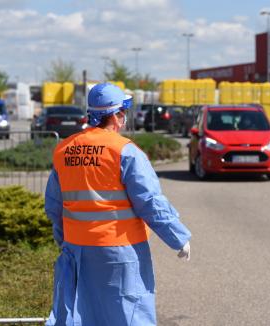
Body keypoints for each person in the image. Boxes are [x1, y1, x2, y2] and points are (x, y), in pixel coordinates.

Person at [45, 83, 191, 326]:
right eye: (124, 112)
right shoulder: (125, 151)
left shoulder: (64, 150)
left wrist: (65, 240)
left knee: (82, 313)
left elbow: (54, 205)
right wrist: (178, 237)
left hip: (77, 249)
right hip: (119, 251)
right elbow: (150, 201)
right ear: (116, 115)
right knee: (128, 314)